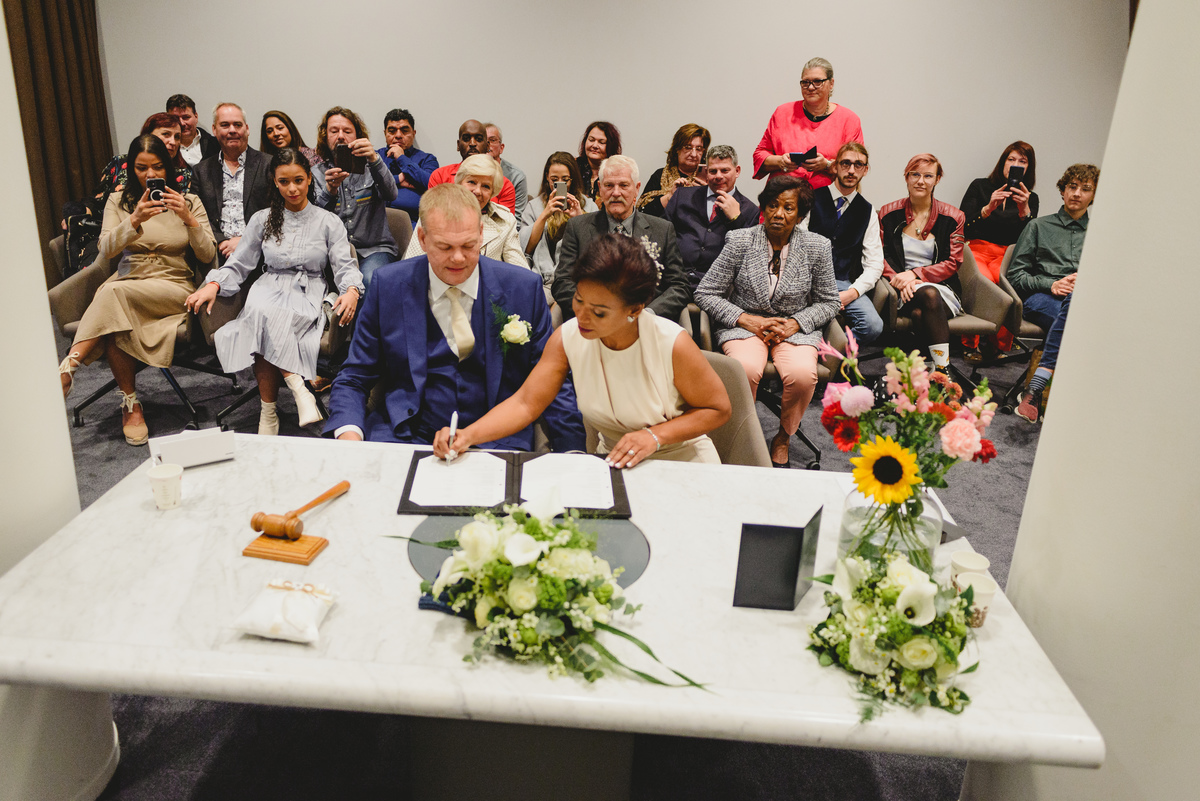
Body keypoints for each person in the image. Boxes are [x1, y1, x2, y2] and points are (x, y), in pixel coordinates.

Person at [433, 233, 730, 467]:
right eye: (578, 301)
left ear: (635, 310)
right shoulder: (568, 338)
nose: (582, 318)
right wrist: (467, 436)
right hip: (613, 463)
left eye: (599, 312)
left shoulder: (671, 343)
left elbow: (718, 409)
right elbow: (526, 403)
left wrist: (655, 436)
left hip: (680, 461)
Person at [325, 184, 584, 449]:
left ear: (481, 234)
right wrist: (349, 437)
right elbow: (355, 375)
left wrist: (573, 452)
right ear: (423, 239)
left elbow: (552, 381)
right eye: (445, 247)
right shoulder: (390, 285)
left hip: (498, 437)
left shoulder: (522, 289)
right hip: (406, 433)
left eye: (469, 245)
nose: (459, 258)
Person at [184, 148, 363, 435]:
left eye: (298, 180)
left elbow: (344, 265)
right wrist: (213, 285)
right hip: (268, 286)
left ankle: (269, 413)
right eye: (284, 182)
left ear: (308, 180)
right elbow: (239, 264)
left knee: (261, 322)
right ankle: (296, 385)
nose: (292, 189)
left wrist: (352, 289)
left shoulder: (329, 221)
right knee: (263, 310)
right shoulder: (261, 219)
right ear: (275, 182)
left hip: (307, 290)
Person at [57, 135, 216, 445]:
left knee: (112, 296)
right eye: (142, 168)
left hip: (172, 287)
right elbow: (105, 249)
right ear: (132, 169)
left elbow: (208, 255)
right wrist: (134, 220)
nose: (150, 175)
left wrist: (186, 217)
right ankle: (131, 404)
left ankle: (69, 367)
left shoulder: (190, 201)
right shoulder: (119, 201)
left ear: (168, 168)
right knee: (117, 319)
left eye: (157, 167)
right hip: (129, 282)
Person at [695, 175, 839, 468]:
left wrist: (795, 323)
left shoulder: (817, 247)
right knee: (744, 370)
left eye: (788, 208)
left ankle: (783, 437)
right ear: (764, 208)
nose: (779, 214)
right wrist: (745, 319)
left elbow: (830, 302)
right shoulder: (740, 240)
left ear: (800, 215)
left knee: (801, 375)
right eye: (773, 205)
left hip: (793, 330)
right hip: (745, 327)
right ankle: (739, 436)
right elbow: (705, 292)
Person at [1008, 163, 1098, 423]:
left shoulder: (1099, 235)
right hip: (1040, 299)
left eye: (1085, 188)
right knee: (1075, 322)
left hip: (1082, 303)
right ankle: (1054, 395)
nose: (1077, 193)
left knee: (1076, 314)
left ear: (1093, 196)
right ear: (1062, 191)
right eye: (1072, 187)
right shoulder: (1038, 226)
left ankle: (1034, 390)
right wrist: (1052, 284)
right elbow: (1015, 276)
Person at [553, 155, 690, 324]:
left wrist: (648, 314)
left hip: (646, 324)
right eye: (609, 185)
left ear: (636, 188)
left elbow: (679, 285)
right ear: (600, 188)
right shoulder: (577, 227)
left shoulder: (662, 229)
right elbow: (562, 282)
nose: (616, 193)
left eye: (624, 185)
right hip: (592, 322)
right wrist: (594, 309)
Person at [62, 113, 195, 278]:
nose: (172, 142)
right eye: (166, 134)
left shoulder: (184, 174)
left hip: (155, 240)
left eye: (177, 137)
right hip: (108, 229)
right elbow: (97, 198)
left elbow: (180, 219)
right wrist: (82, 212)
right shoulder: (120, 163)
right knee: (91, 270)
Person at [878, 153, 966, 373]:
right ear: (906, 177)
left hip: (941, 289)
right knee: (924, 297)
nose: (920, 181)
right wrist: (900, 279)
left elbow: (953, 262)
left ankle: (935, 368)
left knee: (925, 303)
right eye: (915, 174)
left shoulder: (954, 216)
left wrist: (915, 275)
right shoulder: (888, 214)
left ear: (937, 180)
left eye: (928, 176)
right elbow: (880, 255)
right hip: (900, 288)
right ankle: (942, 370)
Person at [959, 141, 1039, 359]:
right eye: (1011, 159)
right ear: (1003, 162)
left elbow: (1029, 240)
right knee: (982, 281)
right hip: (976, 250)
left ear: (1028, 168)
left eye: (1022, 161)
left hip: (1006, 255)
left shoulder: (1030, 198)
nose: (1016, 164)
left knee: (1005, 284)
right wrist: (987, 209)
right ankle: (970, 342)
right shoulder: (980, 186)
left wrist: (1025, 212)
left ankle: (999, 345)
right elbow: (963, 227)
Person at [310, 106, 399, 293]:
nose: (341, 136)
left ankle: (363, 324)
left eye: (347, 131)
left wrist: (374, 158)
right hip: (333, 252)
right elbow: (312, 220)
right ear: (325, 136)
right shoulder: (317, 173)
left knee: (367, 280)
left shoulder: (372, 166)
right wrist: (330, 191)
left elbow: (391, 194)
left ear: (357, 135)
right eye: (334, 131)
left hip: (374, 249)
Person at [805, 142, 885, 344]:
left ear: (865, 170)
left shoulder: (868, 211)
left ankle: (830, 356)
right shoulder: (811, 198)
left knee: (873, 326)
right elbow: (796, 242)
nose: (851, 170)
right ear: (835, 166)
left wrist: (852, 293)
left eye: (858, 165)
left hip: (842, 283)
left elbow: (875, 264)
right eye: (846, 163)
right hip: (807, 280)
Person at [752, 57, 864, 190]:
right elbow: (760, 154)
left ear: (831, 83)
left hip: (826, 200)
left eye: (818, 82)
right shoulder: (783, 113)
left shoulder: (849, 120)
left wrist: (827, 165)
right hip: (783, 197)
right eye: (805, 82)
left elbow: (857, 166)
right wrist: (780, 161)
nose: (810, 87)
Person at [664, 144, 758, 290]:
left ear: (737, 171)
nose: (718, 176)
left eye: (725, 170)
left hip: (718, 287)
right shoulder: (682, 196)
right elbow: (662, 234)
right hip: (675, 279)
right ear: (706, 172)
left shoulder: (750, 210)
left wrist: (736, 220)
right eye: (713, 171)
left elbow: (750, 257)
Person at [405, 154, 525, 267]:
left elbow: (521, 270)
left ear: (493, 192)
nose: (477, 191)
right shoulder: (433, 213)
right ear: (459, 183)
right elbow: (412, 264)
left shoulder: (506, 220)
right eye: (472, 182)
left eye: (486, 186)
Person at [191, 102, 273, 262]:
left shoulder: (268, 165)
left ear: (247, 129)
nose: (232, 130)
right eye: (225, 125)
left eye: (237, 124)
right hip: (217, 252)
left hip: (261, 251)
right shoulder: (201, 171)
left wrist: (246, 240)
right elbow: (198, 215)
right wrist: (222, 241)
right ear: (214, 130)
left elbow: (277, 211)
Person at [521, 151, 598, 298]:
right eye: (554, 180)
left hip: (575, 279)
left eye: (565, 180)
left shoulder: (589, 206)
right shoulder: (533, 206)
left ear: (573, 179)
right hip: (542, 278)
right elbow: (526, 249)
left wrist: (579, 218)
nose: (560, 184)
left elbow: (595, 251)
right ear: (547, 178)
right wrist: (544, 215)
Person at [425, 120, 517, 214]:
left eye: (479, 139)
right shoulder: (440, 176)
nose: (472, 143)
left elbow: (505, 223)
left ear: (487, 146)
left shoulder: (504, 185)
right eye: (466, 138)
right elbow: (431, 217)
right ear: (458, 145)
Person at [378, 108, 439, 224]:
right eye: (392, 131)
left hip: (414, 223)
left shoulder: (427, 159)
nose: (398, 135)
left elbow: (432, 185)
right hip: (376, 223)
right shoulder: (375, 157)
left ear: (413, 133)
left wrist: (402, 158)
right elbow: (368, 187)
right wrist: (398, 179)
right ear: (385, 133)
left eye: (404, 130)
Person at [637, 123, 711, 218]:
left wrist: (708, 194)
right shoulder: (660, 175)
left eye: (699, 149)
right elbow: (643, 214)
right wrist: (670, 196)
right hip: (663, 230)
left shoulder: (710, 178)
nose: (693, 154)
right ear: (677, 149)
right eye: (688, 147)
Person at [484, 122, 528, 228]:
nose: (487, 144)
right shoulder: (469, 172)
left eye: (492, 140)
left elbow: (516, 222)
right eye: (483, 140)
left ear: (501, 147)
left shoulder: (517, 177)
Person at [166, 94, 219, 166]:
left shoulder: (216, 145)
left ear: (196, 117)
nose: (182, 123)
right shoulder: (165, 147)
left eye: (186, 117)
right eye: (175, 118)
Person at [576, 121, 622, 201]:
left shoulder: (618, 173)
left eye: (601, 142)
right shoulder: (573, 168)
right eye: (591, 140)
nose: (594, 146)